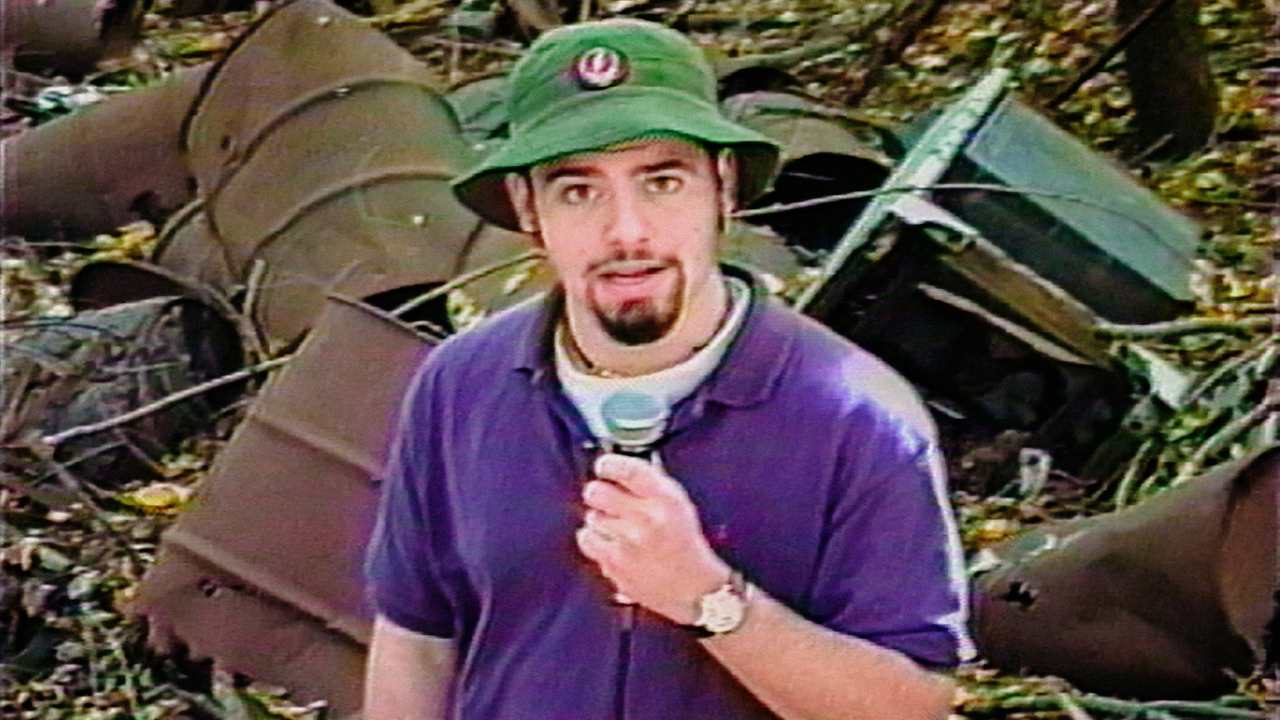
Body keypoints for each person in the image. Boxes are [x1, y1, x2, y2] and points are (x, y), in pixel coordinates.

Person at [363, 18, 973, 720]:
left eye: (660, 181)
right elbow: (416, 637)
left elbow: (912, 705)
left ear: (723, 187)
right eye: (578, 191)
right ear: (528, 209)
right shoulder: (460, 385)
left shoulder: (854, 416)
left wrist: (709, 600)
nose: (627, 231)